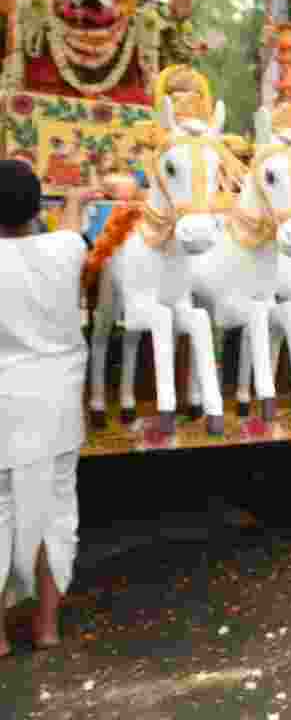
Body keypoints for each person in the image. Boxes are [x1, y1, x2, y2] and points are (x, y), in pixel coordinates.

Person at [0, 160, 105, 655]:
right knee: (54, 515)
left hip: (5, 408)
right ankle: (45, 628)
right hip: (59, 407)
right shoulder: (64, 250)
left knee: (1, 516)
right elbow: (73, 224)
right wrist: (80, 197)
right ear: (34, 208)